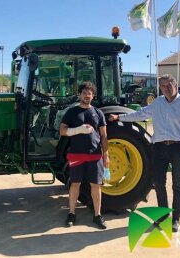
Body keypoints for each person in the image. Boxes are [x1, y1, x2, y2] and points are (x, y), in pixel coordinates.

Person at [109, 74, 180, 232]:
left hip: (178, 148)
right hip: (158, 148)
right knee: (159, 184)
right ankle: (163, 216)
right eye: (163, 86)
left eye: (169, 85)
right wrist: (119, 117)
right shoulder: (157, 103)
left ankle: (176, 219)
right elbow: (140, 114)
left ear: (175, 83)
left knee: (177, 184)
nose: (166, 88)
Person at [60, 81, 109, 229]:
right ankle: (72, 214)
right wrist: (79, 129)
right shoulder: (72, 112)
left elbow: (104, 135)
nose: (87, 95)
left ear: (93, 95)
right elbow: (62, 131)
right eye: (84, 93)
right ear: (80, 94)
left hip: (94, 156)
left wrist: (105, 155)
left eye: (90, 93)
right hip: (76, 155)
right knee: (75, 184)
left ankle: (97, 215)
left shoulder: (98, 113)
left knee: (96, 185)